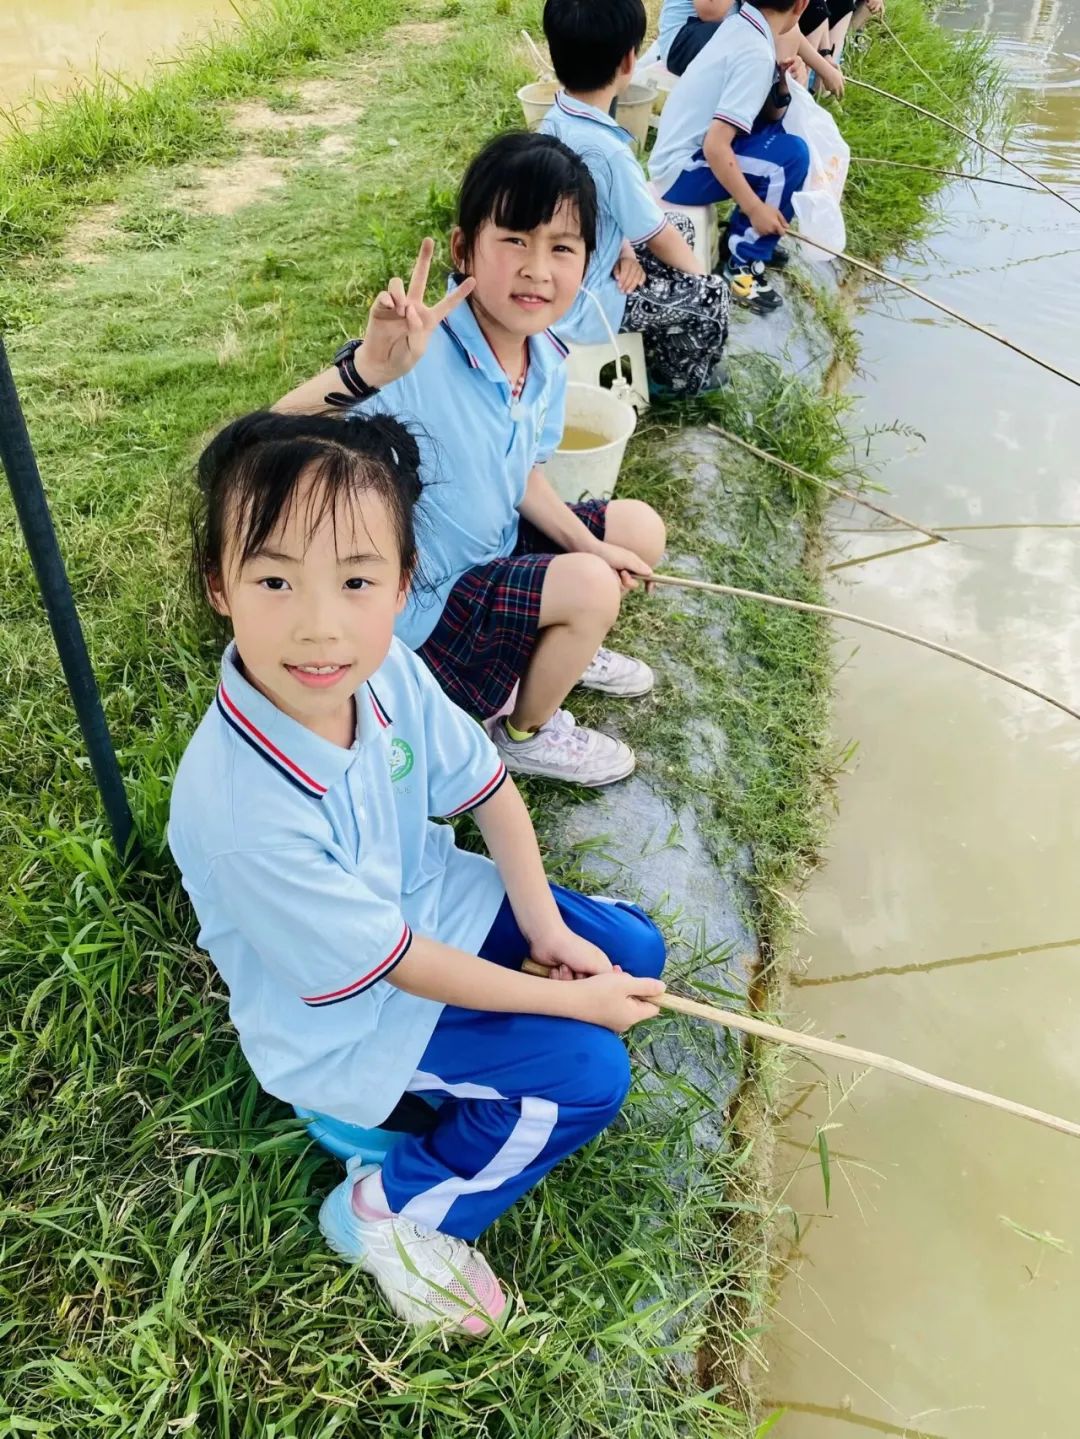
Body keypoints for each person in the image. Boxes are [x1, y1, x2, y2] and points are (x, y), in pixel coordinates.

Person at [168, 409, 667, 1336]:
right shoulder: (238, 809)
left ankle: (512, 1031)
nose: (320, 627)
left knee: (633, 944)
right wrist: (568, 1002)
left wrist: (549, 935)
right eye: (275, 578)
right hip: (351, 1019)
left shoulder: (386, 666)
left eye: (356, 580)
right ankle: (393, 1209)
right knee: (589, 1071)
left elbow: (488, 790)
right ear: (219, 588)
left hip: (434, 907)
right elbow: (394, 962)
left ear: (402, 587)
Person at [275, 135, 667, 788]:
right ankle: (523, 733)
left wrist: (585, 544)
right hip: (429, 619)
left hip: (495, 551)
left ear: (587, 263)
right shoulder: (415, 356)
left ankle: (559, 648)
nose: (538, 269)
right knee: (594, 589)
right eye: (514, 238)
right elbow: (272, 433)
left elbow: (520, 480)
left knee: (637, 530)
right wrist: (367, 370)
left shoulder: (545, 360)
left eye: (562, 248)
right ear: (463, 250)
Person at [539, 0, 731, 397]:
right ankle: (677, 382)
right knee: (711, 295)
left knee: (678, 231)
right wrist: (701, 277)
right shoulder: (608, 151)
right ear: (629, 62)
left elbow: (606, 215)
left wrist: (625, 252)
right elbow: (656, 235)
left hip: (576, 265)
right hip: (587, 303)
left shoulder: (554, 119)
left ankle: (656, 342)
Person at [649, 0, 811, 313]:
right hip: (683, 168)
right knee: (790, 159)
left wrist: (780, 82)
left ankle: (744, 238)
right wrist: (755, 208)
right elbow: (715, 146)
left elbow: (768, 115)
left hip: (680, 155)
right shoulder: (754, 52)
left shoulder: (742, 26)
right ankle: (744, 266)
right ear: (801, 6)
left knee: (779, 139)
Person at [658, 0, 844, 95]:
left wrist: (825, 69)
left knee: (775, 25)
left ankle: (776, 107)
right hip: (685, 38)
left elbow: (784, 24)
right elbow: (710, 12)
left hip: (726, 34)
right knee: (757, 50)